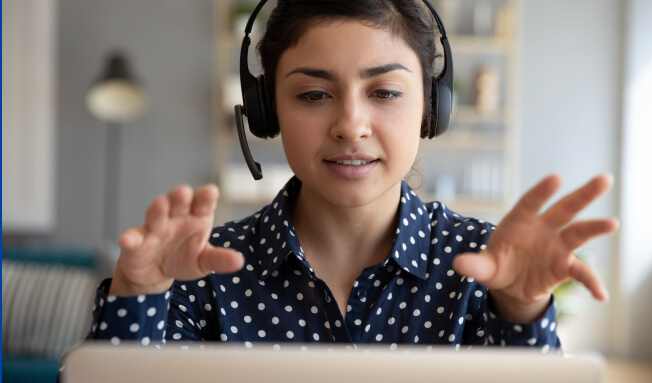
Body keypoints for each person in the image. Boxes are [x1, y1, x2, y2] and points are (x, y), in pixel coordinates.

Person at [87, 0, 618, 350]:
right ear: (267, 111)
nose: (350, 125)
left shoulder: (484, 268)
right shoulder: (198, 272)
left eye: (384, 92)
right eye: (313, 94)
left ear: (432, 107)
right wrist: (138, 295)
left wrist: (521, 311)